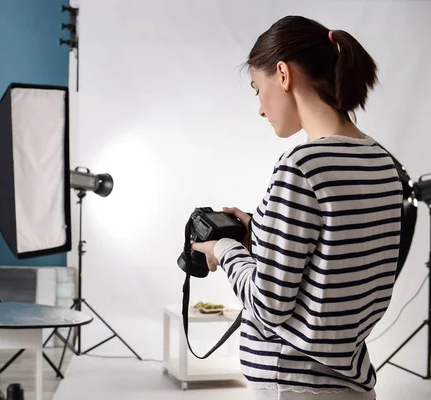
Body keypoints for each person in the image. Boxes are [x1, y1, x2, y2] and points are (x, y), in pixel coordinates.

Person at [191, 15, 402, 400]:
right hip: (350, 383)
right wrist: (263, 231)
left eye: (257, 88)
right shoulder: (382, 162)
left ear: (283, 74)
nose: (259, 107)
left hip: (292, 385)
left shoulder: (302, 165)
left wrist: (224, 249)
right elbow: (339, 257)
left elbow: (269, 306)